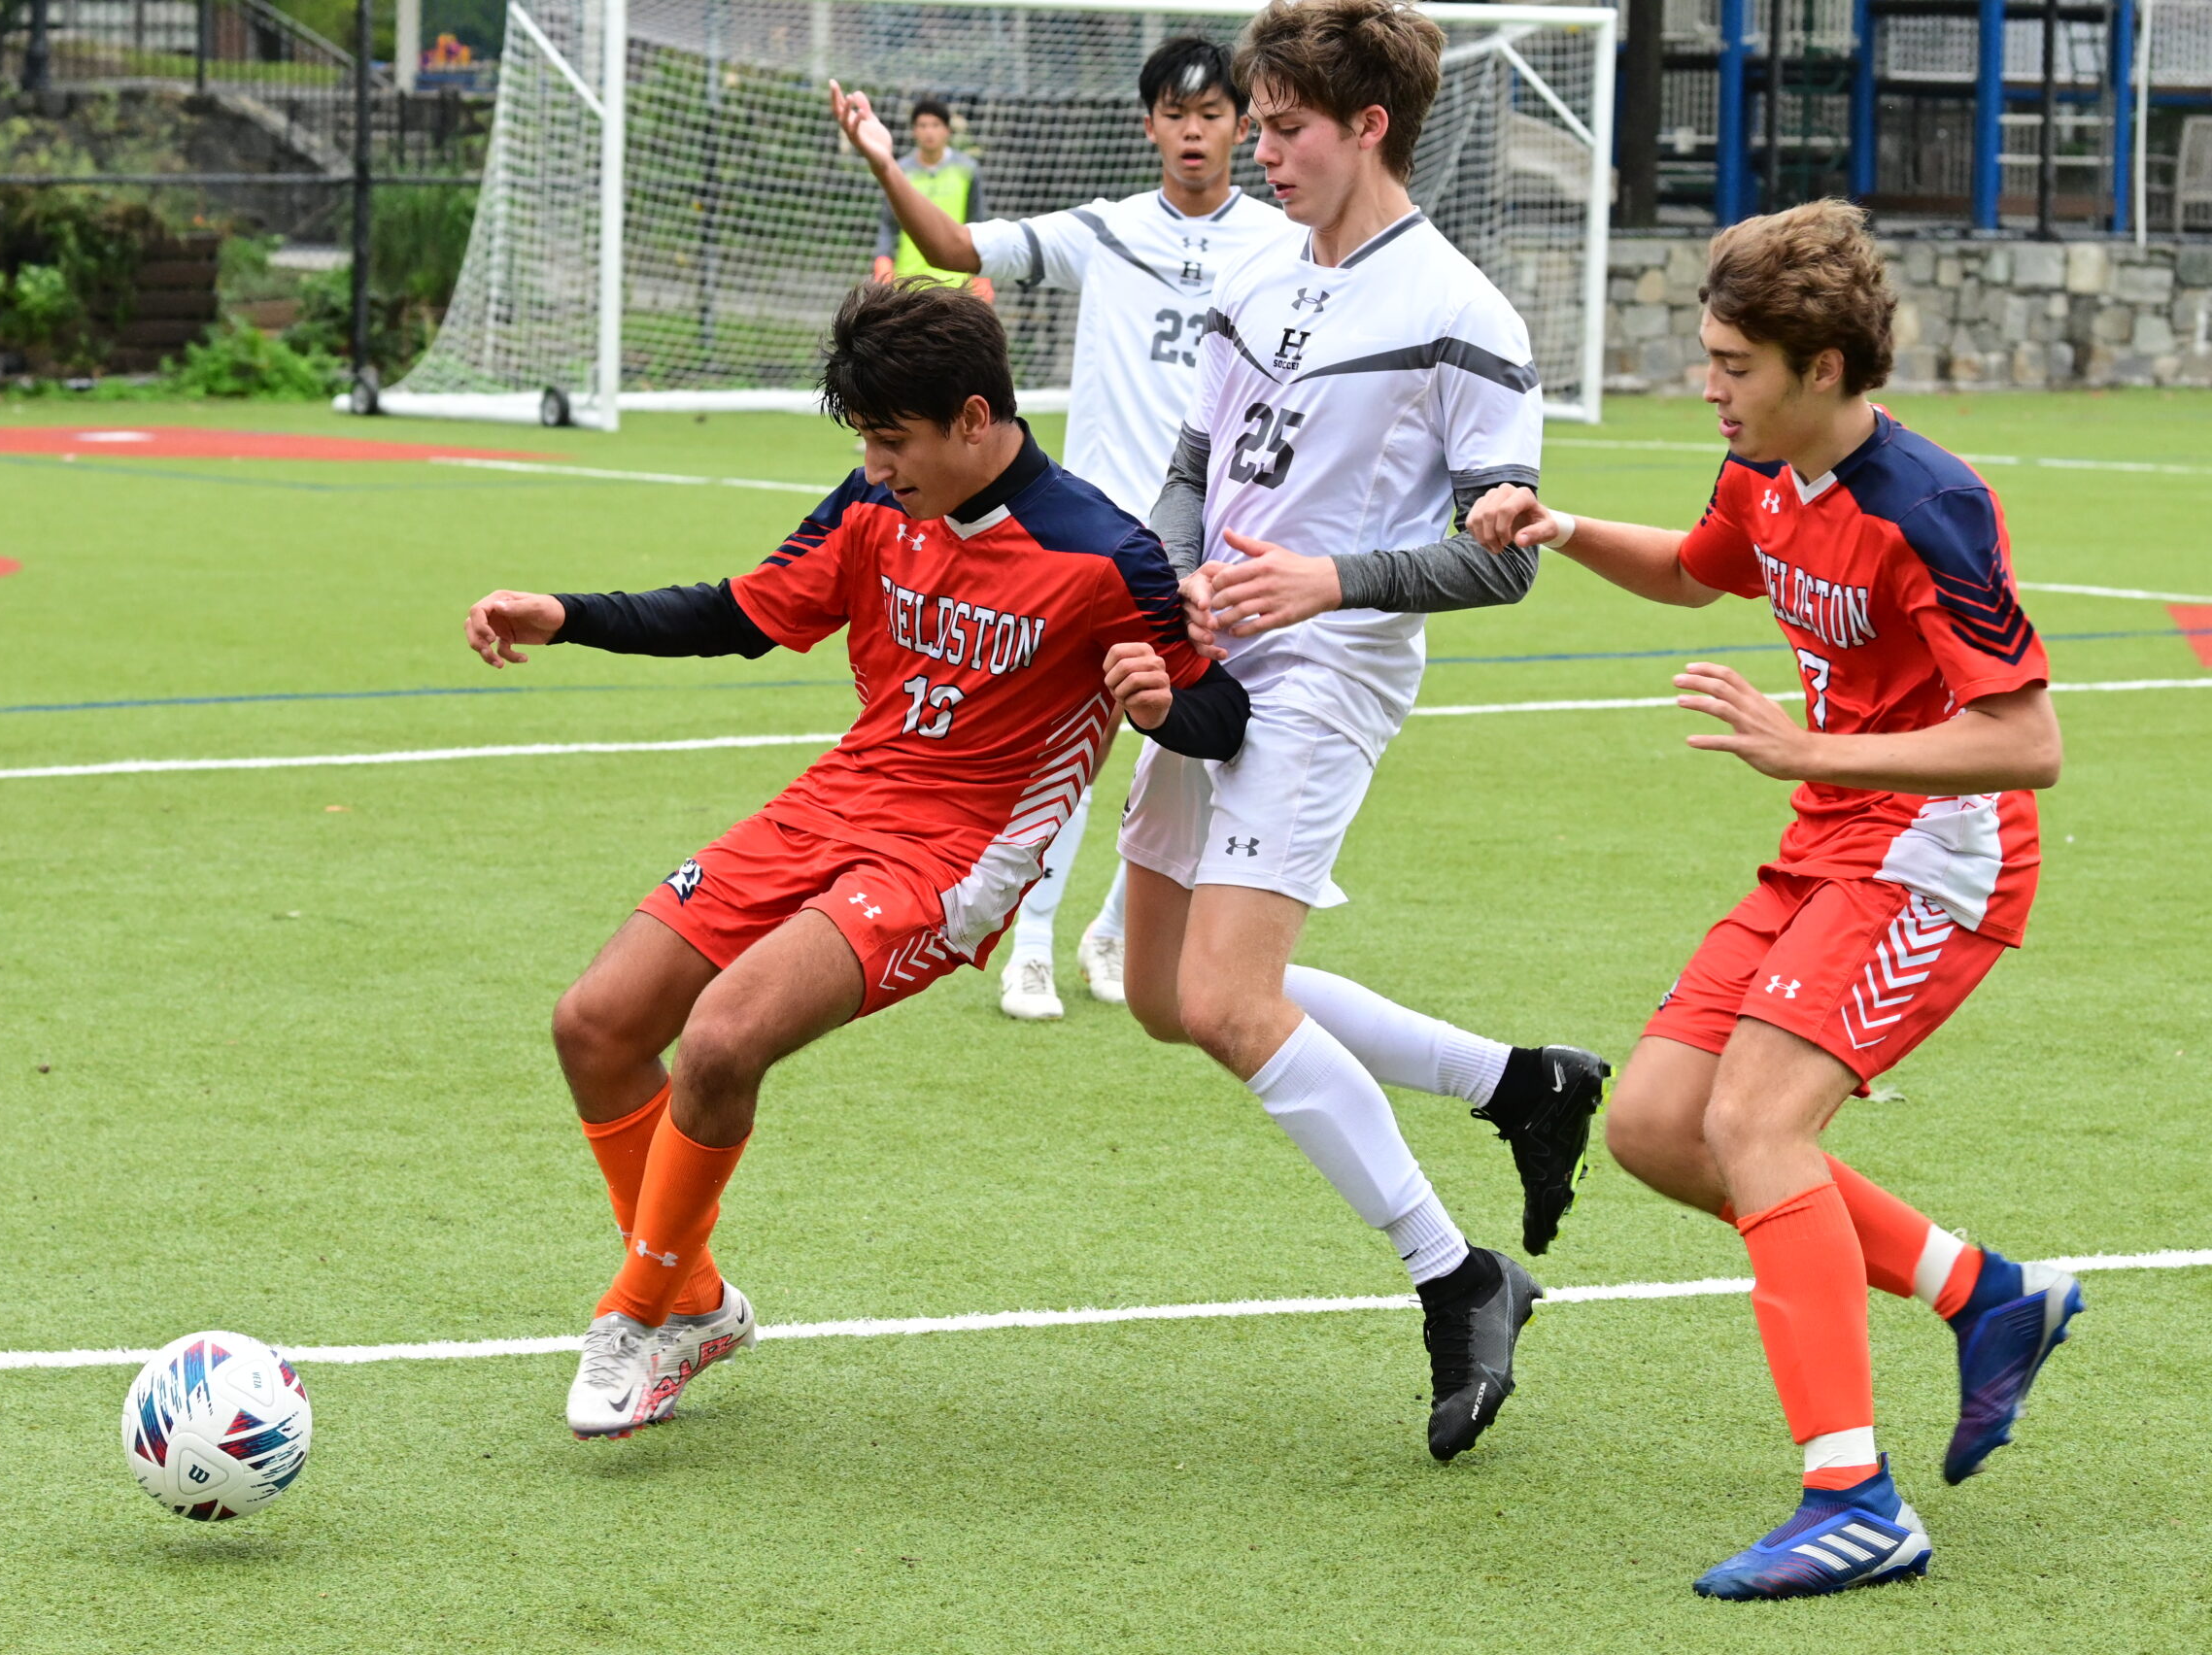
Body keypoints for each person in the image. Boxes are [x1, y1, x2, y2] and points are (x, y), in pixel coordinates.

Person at [462, 279, 1248, 1440]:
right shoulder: (878, 498)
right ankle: (698, 1305)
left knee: (726, 1035)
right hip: (836, 801)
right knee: (596, 1022)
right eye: (867, 444)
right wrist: (565, 613)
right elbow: (744, 610)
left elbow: (1219, 716)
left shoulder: (1103, 556)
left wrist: (1154, 702)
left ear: (974, 419)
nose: (876, 468)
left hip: (954, 856)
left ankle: (638, 1316)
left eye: (894, 442)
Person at [1466, 199, 2079, 1600]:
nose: (1709, 384)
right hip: (1827, 840)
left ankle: (1854, 1498)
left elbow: (2028, 739)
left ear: (1821, 370)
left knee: (1756, 1122)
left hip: (1932, 853)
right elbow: (1697, 577)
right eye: (1710, 355)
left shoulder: (1929, 505)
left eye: (1734, 363)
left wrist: (1818, 749)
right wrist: (1561, 528)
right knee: (1658, 1125)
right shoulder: (1761, 473)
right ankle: (1986, 1294)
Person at [1123, 0, 1609, 1463]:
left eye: (1285, 128)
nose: (1260, 152)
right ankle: (1520, 1083)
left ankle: (1458, 1278)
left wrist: (1328, 577)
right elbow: (1192, 467)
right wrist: (1170, 583)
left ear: (1370, 127)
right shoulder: (1263, 281)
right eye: (1258, 124)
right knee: (1163, 992)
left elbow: (1508, 554)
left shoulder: (1461, 307)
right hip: (1218, 656)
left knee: (1228, 999)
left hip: (1329, 671)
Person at [835, 38, 1288, 1020]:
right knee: (1064, 746)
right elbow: (957, 253)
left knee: (1197, 752)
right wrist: (882, 156)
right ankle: (1030, 946)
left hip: (1215, 541)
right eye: (1176, 114)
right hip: (1091, 545)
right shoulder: (1108, 229)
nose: (1194, 132)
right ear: (1150, 126)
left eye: (1213, 116)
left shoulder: (1285, 244)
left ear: (1241, 127)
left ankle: (1113, 934)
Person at [868, 96, 992, 302]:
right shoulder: (899, 171)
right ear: (914, 131)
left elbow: (978, 222)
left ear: (947, 131)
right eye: (922, 125)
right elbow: (888, 224)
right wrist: (883, 261)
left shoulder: (966, 169)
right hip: (908, 282)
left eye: (935, 125)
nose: (929, 132)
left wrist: (984, 275)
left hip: (956, 282)